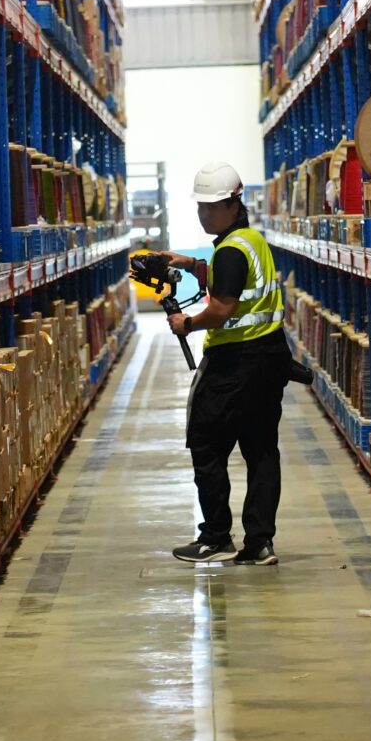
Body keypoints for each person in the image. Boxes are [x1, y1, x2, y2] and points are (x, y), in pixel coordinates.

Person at [155, 161, 297, 566]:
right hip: (270, 359)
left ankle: (216, 537)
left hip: (234, 364)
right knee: (261, 450)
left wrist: (187, 323)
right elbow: (237, 284)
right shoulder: (250, 241)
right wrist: (193, 265)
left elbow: (221, 308)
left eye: (212, 207)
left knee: (206, 444)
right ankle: (260, 543)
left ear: (234, 205)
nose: (204, 214)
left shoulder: (231, 251)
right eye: (200, 207)